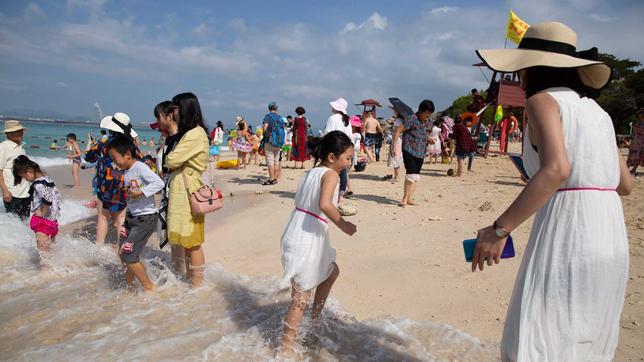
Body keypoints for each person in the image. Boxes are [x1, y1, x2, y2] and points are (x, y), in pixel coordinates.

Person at [473, 21, 634, 361]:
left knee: (540, 331)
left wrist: (499, 229)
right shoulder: (599, 112)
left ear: (531, 67)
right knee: (586, 334)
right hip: (609, 229)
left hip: (571, 228)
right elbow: (625, 184)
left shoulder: (542, 102)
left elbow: (557, 169)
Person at [279, 130, 357, 353]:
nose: (349, 163)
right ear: (332, 157)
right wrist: (344, 225)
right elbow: (324, 204)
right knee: (301, 295)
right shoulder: (331, 174)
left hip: (297, 227)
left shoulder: (313, 171)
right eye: (348, 158)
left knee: (331, 272)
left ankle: (314, 321)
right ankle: (285, 348)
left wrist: (334, 208)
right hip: (308, 235)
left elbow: (313, 202)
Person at [108, 136, 164, 292]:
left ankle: (149, 288)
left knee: (129, 255)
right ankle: (130, 288)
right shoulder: (126, 172)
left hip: (145, 218)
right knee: (122, 254)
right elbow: (129, 194)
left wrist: (141, 193)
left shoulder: (139, 167)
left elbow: (159, 183)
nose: (114, 162)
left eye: (115, 158)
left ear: (127, 154)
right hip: (131, 217)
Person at [165, 92, 210, 288]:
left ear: (184, 108)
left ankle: (196, 284)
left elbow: (171, 160)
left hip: (188, 189)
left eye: (174, 108)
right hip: (181, 188)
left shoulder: (195, 134)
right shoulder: (190, 133)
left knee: (192, 239)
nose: (171, 112)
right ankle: (187, 279)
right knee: (183, 237)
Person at [85, 112, 140, 246]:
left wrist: (90, 145)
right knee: (121, 218)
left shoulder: (105, 141)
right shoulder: (129, 144)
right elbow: (140, 160)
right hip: (123, 183)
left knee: (103, 216)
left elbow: (89, 157)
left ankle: (99, 246)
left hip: (104, 184)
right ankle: (121, 246)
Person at [152, 100, 185, 274]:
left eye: (158, 116)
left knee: (180, 235)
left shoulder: (181, 139)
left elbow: (172, 165)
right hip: (169, 189)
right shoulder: (170, 140)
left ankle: (184, 274)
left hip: (178, 191)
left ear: (169, 116)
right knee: (173, 234)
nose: (157, 121)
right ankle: (178, 270)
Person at [12, 155, 62, 265]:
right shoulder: (47, 179)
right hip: (53, 221)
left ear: (29, 171)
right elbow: (56, 196)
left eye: (24, 177)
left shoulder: (38, 184)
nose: (26, 180)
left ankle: (45, 272)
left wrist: (42, 212)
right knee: (50, 249)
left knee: (43, 252)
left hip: (43, 222)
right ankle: (55, 270)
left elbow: (47, 198)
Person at [390, 100, 434, 207]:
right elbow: (398, 130)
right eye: (426, 112)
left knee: (416, 176)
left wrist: (429, 139)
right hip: (409, 149)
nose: (428, 115)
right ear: (421, 111)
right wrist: (394, 146)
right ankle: (404, 199)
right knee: (410, 174)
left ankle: (410, 198)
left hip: (421, 151)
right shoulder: (412, 119)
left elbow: (423, 133)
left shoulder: (428, 122)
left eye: (430, 113)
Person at [0, 120, 30, 220]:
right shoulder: (3, 147)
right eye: (17, 131)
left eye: (21, 131)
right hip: (12, 193)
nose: (20, 133)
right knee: (14, 223)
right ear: (8, 133)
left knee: (25, 222)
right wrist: (5, 191)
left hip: (26, 192)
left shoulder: (21, 149)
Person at [324, 98, 353, 199]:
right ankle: (341, 192)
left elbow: (328, 133)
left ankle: (332, 190)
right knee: (343, 169)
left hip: (334, 146)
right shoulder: (347, 120)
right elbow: (350, 135)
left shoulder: (332, 118)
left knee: (331, 169)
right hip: (345, 146)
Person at [262, 102, 285, 185]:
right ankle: (275, 178)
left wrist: (265, 134)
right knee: (276, 161)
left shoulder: (268, 116)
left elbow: (265, 128)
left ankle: (271, 179)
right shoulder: (280, 117)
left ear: (269, 108)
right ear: (276, 108)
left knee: (270, 161)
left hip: (270, 141)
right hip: (278, 142)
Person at [386, 110, 404, 182]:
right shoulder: (402, 120)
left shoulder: (398, 120)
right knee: (398, 158)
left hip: (397, 140)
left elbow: (396, 132)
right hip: (400, 140)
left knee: (395, 157)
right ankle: (396, 176)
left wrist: (393, 145)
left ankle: (396, 177)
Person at [627, 107, 644, 175]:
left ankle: (633, 169)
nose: (641, 115)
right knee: (632, 155)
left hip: (641, 142)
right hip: (636, 141)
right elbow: (634, 132)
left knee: (639, 156)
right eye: (640, 114)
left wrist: (638, 130)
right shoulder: (638, 122)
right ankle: (627, 168)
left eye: (642, 114)